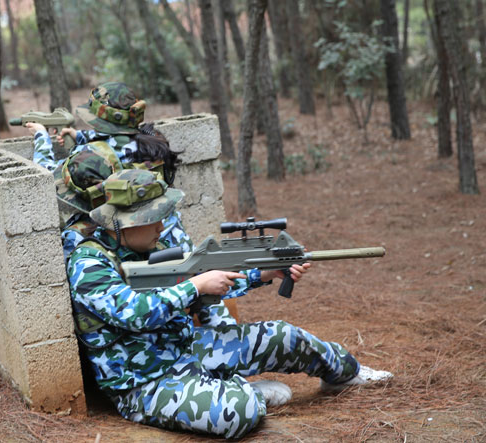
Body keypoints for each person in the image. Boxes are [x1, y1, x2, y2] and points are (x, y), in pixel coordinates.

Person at [67, 168, 393, 439]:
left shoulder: (151, 247)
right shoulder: (89, 264)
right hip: (144, 383)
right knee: (237, 412)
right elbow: (135, 313)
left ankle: (345, 374)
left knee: (283, 336)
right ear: (125, 222)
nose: (162, 226)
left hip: (185, 349)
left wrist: (262, 274)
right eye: (153, 219)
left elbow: (206, 279)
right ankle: (240, 393)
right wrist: (195, 286)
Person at [28, 81, 192, 259]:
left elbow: (46, 172)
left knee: (74, 237)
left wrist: (41, 135)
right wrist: (79, 136)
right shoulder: (154, 141)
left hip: (120, 233)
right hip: (166, 229)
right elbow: (118, 139)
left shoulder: (91, 155)